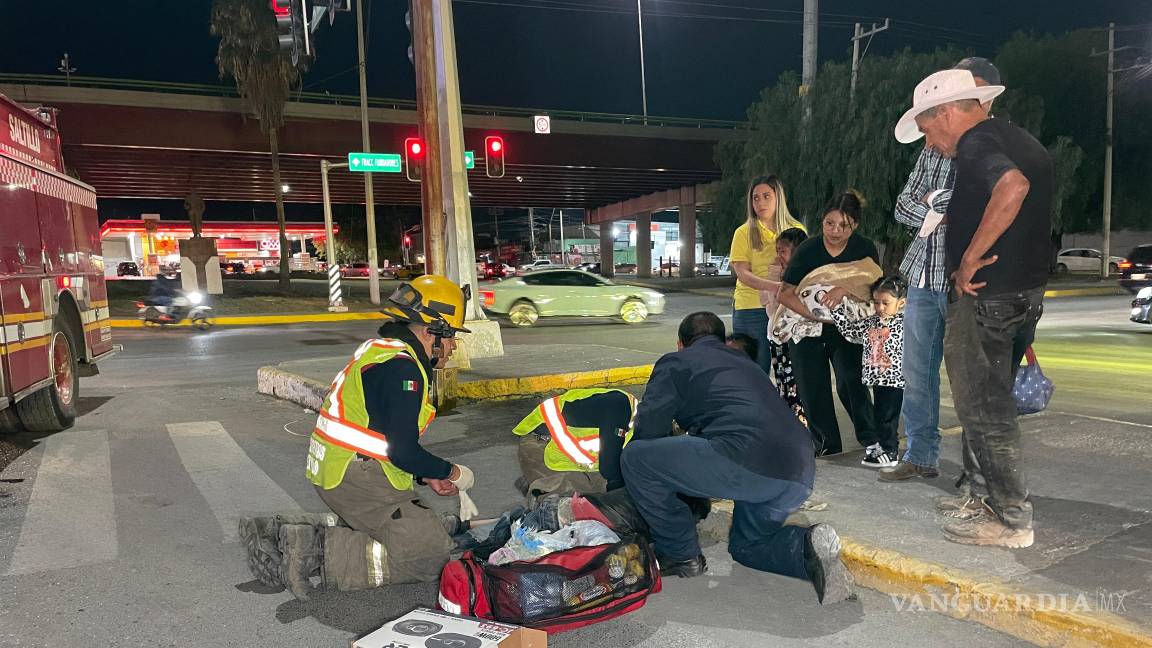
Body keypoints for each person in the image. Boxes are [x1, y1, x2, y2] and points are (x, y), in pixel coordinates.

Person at [239, 275, 478, 599]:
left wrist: (425, 476)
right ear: (432, 330)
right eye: (451, 338)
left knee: (419, 529)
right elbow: (403, 451)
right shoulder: (403, 369)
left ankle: (284, 531)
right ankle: (312, 551)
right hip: (357, 477)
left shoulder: (384, 352)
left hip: (341, 472)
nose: (452, 347)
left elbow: (380, 430)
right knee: (430, 556)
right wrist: (451, 472)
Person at [896, 68, 1052, 548]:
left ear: (944, 113)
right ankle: (984, 497)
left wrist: (966, 258)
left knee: (984, 410)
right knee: (989, 402)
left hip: (989, 297)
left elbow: (1013, 187)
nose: (932, 142)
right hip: (1023, 292)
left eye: (927, 129)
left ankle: (1010, 520)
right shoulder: (1017, 136)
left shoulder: (977, 143)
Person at [620, 312, 854, 605]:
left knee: (636, 458)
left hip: (745, 461)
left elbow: (649, 430)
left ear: (681, 344)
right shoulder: (747, 364)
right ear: (723, 340)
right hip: (799, 472)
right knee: (748, 547)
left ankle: (680, 555)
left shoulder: (676, 362)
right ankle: (805, 547)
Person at [884, 57, 1003, 485]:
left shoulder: (994, 146)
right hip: (921, 275)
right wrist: (940, 208)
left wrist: (940, 206)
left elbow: (982, 208)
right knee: (916, 375)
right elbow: (902, 205)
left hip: (964, 280)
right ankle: (919, 455)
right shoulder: (931, 147)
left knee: (971, 382)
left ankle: (980, 474)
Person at [777, 192, 884, 461]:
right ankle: (827, 447)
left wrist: (843, 288)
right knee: (813, 389)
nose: (835, 231)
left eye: (843, 226)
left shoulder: (864, 248)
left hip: (846, 327)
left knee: (852, 382)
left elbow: (870, 286)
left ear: (855, 225)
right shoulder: (808, 250)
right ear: (821, 221)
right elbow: (785, 293)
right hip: (806, 328)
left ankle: (872, 439)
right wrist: (814, 316)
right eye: (829, 223)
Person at [728, 175, 806, 374]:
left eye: (766, 196)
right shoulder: (743, 232)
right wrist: (774, 287)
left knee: (790, 373)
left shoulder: (796, 230)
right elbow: (742, 273)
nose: (760, 202)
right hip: (751, 309)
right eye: (755, 198)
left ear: (778, 198)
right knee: (753, 371)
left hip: (788, 308)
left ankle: (786, 407)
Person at [830, 276, 909, 468]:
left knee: (887, 416)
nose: (880, 307)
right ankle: (883, 447)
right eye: (876, 303)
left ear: (901, 303)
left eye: (885, 303)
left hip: (895, 379)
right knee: (880, 414)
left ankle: (890, 451)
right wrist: (837, 311)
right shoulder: (871, 322)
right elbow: (850, 331)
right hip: (877, 379)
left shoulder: (906, 323)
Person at [512, 388, 637, 496]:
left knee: (604, 486)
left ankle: (534, 479)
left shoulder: (632, 415)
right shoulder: (620, 407)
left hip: (554, 446)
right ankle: (539, 488)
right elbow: (609, 469)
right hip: (541, 444)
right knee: (580, 503)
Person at [763, 228, 810, 427]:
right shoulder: (781, 274)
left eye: (783, 251)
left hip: (794, 340)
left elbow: (781, 306)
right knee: (784, 387)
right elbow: (767, 305)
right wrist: (774, 276)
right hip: (777, 340)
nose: (778, 256)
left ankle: (802, 430)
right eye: (777, 250)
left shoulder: (805, 277)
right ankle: (790, 429)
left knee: (797, 390)